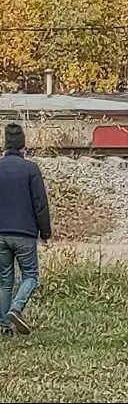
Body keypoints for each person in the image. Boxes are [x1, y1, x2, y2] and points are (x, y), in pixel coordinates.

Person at [0, 123, 51, 336]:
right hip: (24, 234)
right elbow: (40, 203)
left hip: (0, 233)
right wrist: (45, 232)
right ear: (23, 145)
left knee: (4, 279)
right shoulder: (31, 169)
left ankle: (4, 327)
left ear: (5, 144)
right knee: (30, 275)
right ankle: (16, 308)